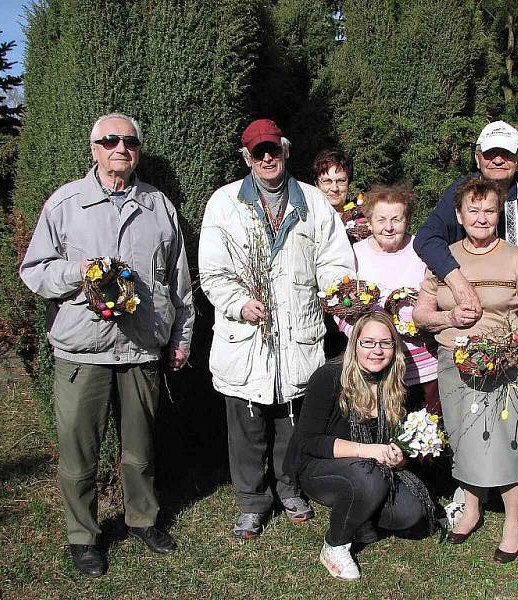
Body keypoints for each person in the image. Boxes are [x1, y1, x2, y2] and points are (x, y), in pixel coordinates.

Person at [20, 113, 194, 577]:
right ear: (93, 148)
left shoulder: (159, 206)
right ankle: (84, 535)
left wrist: (181, 336)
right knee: (80, 455)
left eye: (131, 141)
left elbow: (178, 281)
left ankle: (143, 520)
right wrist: (75, 274)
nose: (122, 148)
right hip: (82, 351)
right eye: (111, 140)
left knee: (140, 450)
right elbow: (34, 270)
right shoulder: (65, 204)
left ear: (138, 150)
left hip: (140, 348)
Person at [414, 120, 518, 536]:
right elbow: (427, 240)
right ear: (478, 157)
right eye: (490, 153)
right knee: (465, 425)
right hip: (461, 345)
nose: (497, 160)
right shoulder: (460, 192)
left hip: (517, 331)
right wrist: (458, 282)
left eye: (506, 153)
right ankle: (468, 503)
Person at [199, 118, 355, 540]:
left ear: (285, 151)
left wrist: (336, 295)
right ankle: (252, 502)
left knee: (291, 421)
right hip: (245, 334)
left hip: (297, 333)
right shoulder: (224, 203)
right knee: (247, 427)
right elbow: (213, 270)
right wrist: (238, 303)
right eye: (258, 151)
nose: (267, 157)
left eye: (274, 149)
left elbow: (335, 258)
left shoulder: (312, 201)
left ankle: (289, 491)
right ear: (247, 157)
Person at [413, 177, 518, 563]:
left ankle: (511, 522)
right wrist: (451, 315)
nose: (482, 217)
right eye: (473, 210)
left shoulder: (517, 257)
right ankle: (470, 510)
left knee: (510, 442)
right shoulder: (444, 258)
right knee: (464, 439)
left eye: (489, 210)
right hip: (453, 364)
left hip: (504, 365)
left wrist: (512, 343)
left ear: (498, 214)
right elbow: (422, 315)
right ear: (459, 214)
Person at [283, 311, 434, 581]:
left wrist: (400, 458)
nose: (377, 351)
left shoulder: (394, 382)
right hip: (320, 467)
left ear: (394, 348)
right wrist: (369, 451)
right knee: (368, 477)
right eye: (368, 342)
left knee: (411, 513)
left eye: (385, 343)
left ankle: (360, 516)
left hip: (371, 470)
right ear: (355, 344)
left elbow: (396, 439)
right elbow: (309, 441)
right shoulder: (329, 377)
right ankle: (335, 545)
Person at [338, 184, 439, 414]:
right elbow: (339, 303)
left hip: (424, 366)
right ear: (369, 221)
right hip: (374, 366)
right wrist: (359, 335)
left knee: (427, 438)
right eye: (381, 219)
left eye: (397, 219)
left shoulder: (422, 249)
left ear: (407, 220)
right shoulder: (354, 254)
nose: (389, 227)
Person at [312, 149, 355, 358]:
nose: (334, 188)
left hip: (353, 306)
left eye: (341, 181)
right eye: (327, 181)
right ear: (316, 184)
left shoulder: (365, 219)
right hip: (318, 313)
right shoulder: (308, 219)